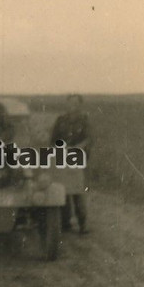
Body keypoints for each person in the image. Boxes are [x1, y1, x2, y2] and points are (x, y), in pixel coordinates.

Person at [50, 94, 92, 234]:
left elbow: (88, 138)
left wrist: (78, 147)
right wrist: (61, 147)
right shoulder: (61, 120)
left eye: (75, 103)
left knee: (78, 192)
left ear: (80, 105)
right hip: (62, 157)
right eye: (70, 102)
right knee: (64, 191)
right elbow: (53, 139)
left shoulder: (84, 120)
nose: (72, 105)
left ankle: (82, 224)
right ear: (66, 104)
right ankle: (65, 223)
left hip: (77, 158)